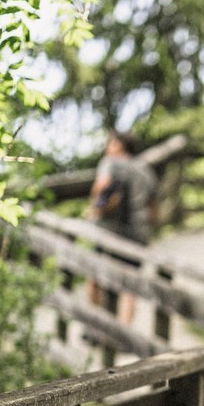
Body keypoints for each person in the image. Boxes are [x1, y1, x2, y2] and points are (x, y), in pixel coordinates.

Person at [85, 131, 158, 324]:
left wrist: (94, 208)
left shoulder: (110, 163)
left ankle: (94, 326)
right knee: (129, 285)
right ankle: (124, 332)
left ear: (119, 145)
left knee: (96, 277)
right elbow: (153, 208)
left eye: (110, 143)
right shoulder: (146, 169)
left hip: (109, 232)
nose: (107, 147)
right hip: (138, 233)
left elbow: (103, 187)